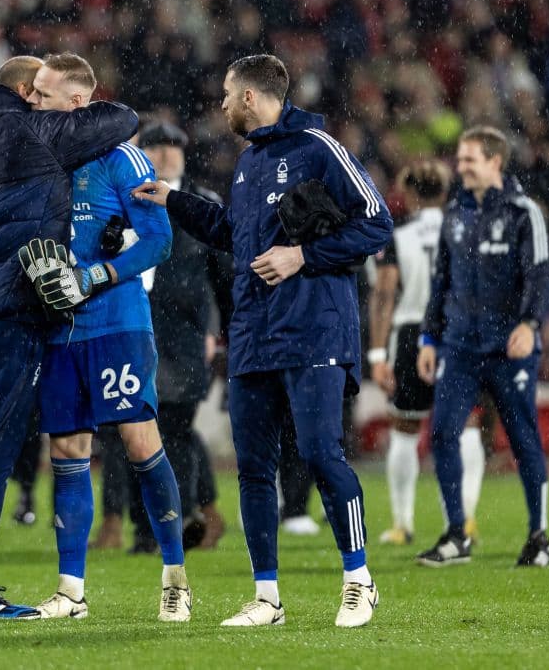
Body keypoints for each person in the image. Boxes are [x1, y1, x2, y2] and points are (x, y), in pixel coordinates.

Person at [133, 54, 392, 628]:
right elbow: (232, 235)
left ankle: (359, 580)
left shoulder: (318, 148)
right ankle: (266, 597)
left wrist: (302, 254)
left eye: (227, 93)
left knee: (323, 453)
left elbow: (375, 222)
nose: (221, 104)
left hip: (314, 328)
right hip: (253, 333)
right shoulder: (249, 162)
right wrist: (173, 200)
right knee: (252, 469)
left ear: (250, 97)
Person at [0, 55, 138, 619]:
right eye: (34, 91)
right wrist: (62, 103)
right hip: (12, 311)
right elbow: (123, 118)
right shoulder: (30, 127)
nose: (39, 100)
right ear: (20, 91)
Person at [20, 56, 189, 622]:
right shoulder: (37, 160)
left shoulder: (123, 158)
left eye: (42, 94)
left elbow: (159, 241)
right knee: (67, 451)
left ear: (75, 102)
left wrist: (96, 274)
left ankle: (175, 576)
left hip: (117, 323)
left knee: (139, 441)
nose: (32, 100)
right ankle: (70, 591)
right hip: (60, 330)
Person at [416, 126, 549, 567]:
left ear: (495, 161)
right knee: (441, 433)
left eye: (469, 159)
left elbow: (540, 274)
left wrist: (531, 324)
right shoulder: (455, 214)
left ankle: (539, 536)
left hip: (508, 346)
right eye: (460, 158)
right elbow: (442, 281)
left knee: (521, 437)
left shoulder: (522, 212)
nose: (461, 166)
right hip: (459, 347)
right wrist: (429, 337)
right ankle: (457, 535)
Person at [368, 159, 485, 546]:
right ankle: (466, 518)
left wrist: (377, 354)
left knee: (405, 427)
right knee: (465, 424)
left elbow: (385, 294)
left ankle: (403, 524)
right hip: (457, 331)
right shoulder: (466, 230)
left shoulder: (397, 236)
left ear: (409, 192)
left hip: (411, 331)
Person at [137, 121, 226, 551]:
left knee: (175, 426)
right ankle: (148, 524)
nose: (168, 153)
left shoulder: (203, 205)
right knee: (134, 426)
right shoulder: (125, 200)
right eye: (158, 145)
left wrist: (219, 330)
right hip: (137, 326)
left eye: (175, 145)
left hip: (187, 335)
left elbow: (222, 278)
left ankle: (182, 514)